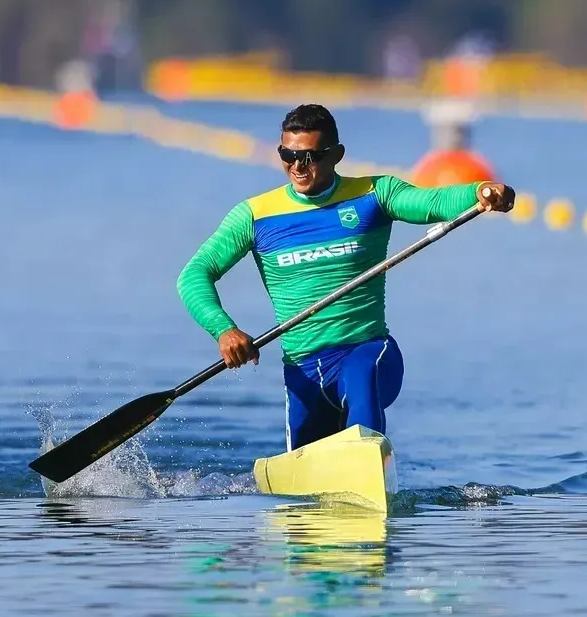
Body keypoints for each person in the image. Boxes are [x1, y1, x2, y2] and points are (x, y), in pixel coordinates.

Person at [176, 104, 515, 452]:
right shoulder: (253, 216)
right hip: (302, 370)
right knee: (301, 487)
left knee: (362, 379)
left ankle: (368, 461)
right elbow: (194, 275)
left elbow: (430, 201)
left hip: (367, 352)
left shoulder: (375, 194)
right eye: (287, 155)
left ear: (337, 155)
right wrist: (224, 329)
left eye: (309, 157)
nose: (297, 166)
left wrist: (479, 191)